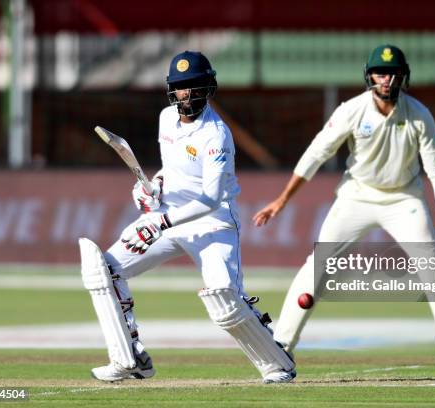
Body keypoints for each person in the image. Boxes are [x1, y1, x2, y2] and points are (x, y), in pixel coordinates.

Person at [79, 50, 295, 383]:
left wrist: (161, 223)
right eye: (181, 87)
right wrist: (153, 187)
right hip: (168, 215)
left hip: (213, 222)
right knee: (103, 270)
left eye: (194, 86)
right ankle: (130, 358)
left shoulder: (216, 135)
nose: (187, 94)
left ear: (208, 88)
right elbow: (172, 169)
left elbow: (209, 197)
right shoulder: (166, 118)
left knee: (226, 299)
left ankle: (277, 363)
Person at [253, 44, 435, 365]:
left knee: (433, 268)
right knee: (318, 265)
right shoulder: (351, 110)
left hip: (404, 199)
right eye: (380, 73)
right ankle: (281, 344)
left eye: (393, 74)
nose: (386, 80)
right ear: (369, 76)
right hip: (356, 196)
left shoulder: (419, 116)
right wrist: (282, 200)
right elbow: (317, 153)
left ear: (403, 77)